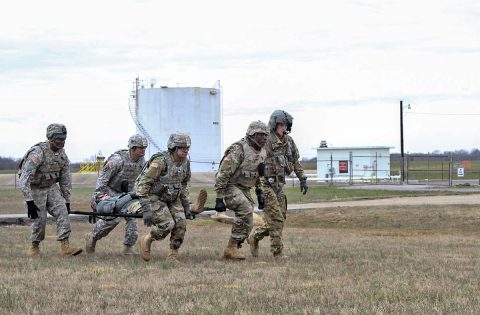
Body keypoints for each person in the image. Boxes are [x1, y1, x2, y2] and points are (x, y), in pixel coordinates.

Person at [247, 110, 308, 258]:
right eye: (281, 124)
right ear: (274, 124)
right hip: (266, 184)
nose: (284, 128)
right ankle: (277, 252)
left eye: (286, 125)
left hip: (279, 186)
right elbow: (255, 160)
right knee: (276, 219)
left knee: (279, 220)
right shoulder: (266, 141)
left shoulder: (289, 142)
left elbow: (295, 161)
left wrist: (302, 178)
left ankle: (255, 236)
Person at [18, 123, 83, 257]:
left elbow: (65, 180)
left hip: (51, 187)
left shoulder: (62, 155)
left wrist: (67, 200)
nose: (62, 142)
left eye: (64, 139)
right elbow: (24, 179)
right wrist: (29, 202)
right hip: (36, 188)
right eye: (59, 139)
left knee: (62, 213)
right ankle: (34, 246)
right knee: (40, 219)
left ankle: (66, 246)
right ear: (51, 138)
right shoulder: (38, 153)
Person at [84, 134, 148, 255]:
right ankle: (92, 237)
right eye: (141, 147)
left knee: (132, 216)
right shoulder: (117, 160)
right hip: (109, 192)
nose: (143, 150)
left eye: (144, 147)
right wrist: (100, 196)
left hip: (126, 194)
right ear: (133, 148)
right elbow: (103, 179)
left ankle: (128, 247)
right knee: (112, 219)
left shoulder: (142, 162)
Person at [214, 120, 269, 260]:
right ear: (252, 134)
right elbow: (223, 174)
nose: (264, 138)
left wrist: (260, 192)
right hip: (229, 186)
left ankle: (233, 248)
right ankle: (231, 248)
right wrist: (219, 198)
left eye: (266, 135)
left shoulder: (262, 151)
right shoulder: (239, 149)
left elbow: (259, 175)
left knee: (248, 219)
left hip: (244, 188)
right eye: (261, 135)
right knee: (245, 209)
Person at [135, 133, 193, 264]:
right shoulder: (160, 161)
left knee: (181, 224)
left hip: (173, 197)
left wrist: (185, 204)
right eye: (182, 147)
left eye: (187, 147)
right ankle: (148, 239)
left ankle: (172, 256)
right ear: (173, 147)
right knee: (167, 224)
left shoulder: (185, 162)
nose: (186, 150)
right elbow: (143, 184)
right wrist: (145, 208)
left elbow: (184, 183)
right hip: (155, 197)